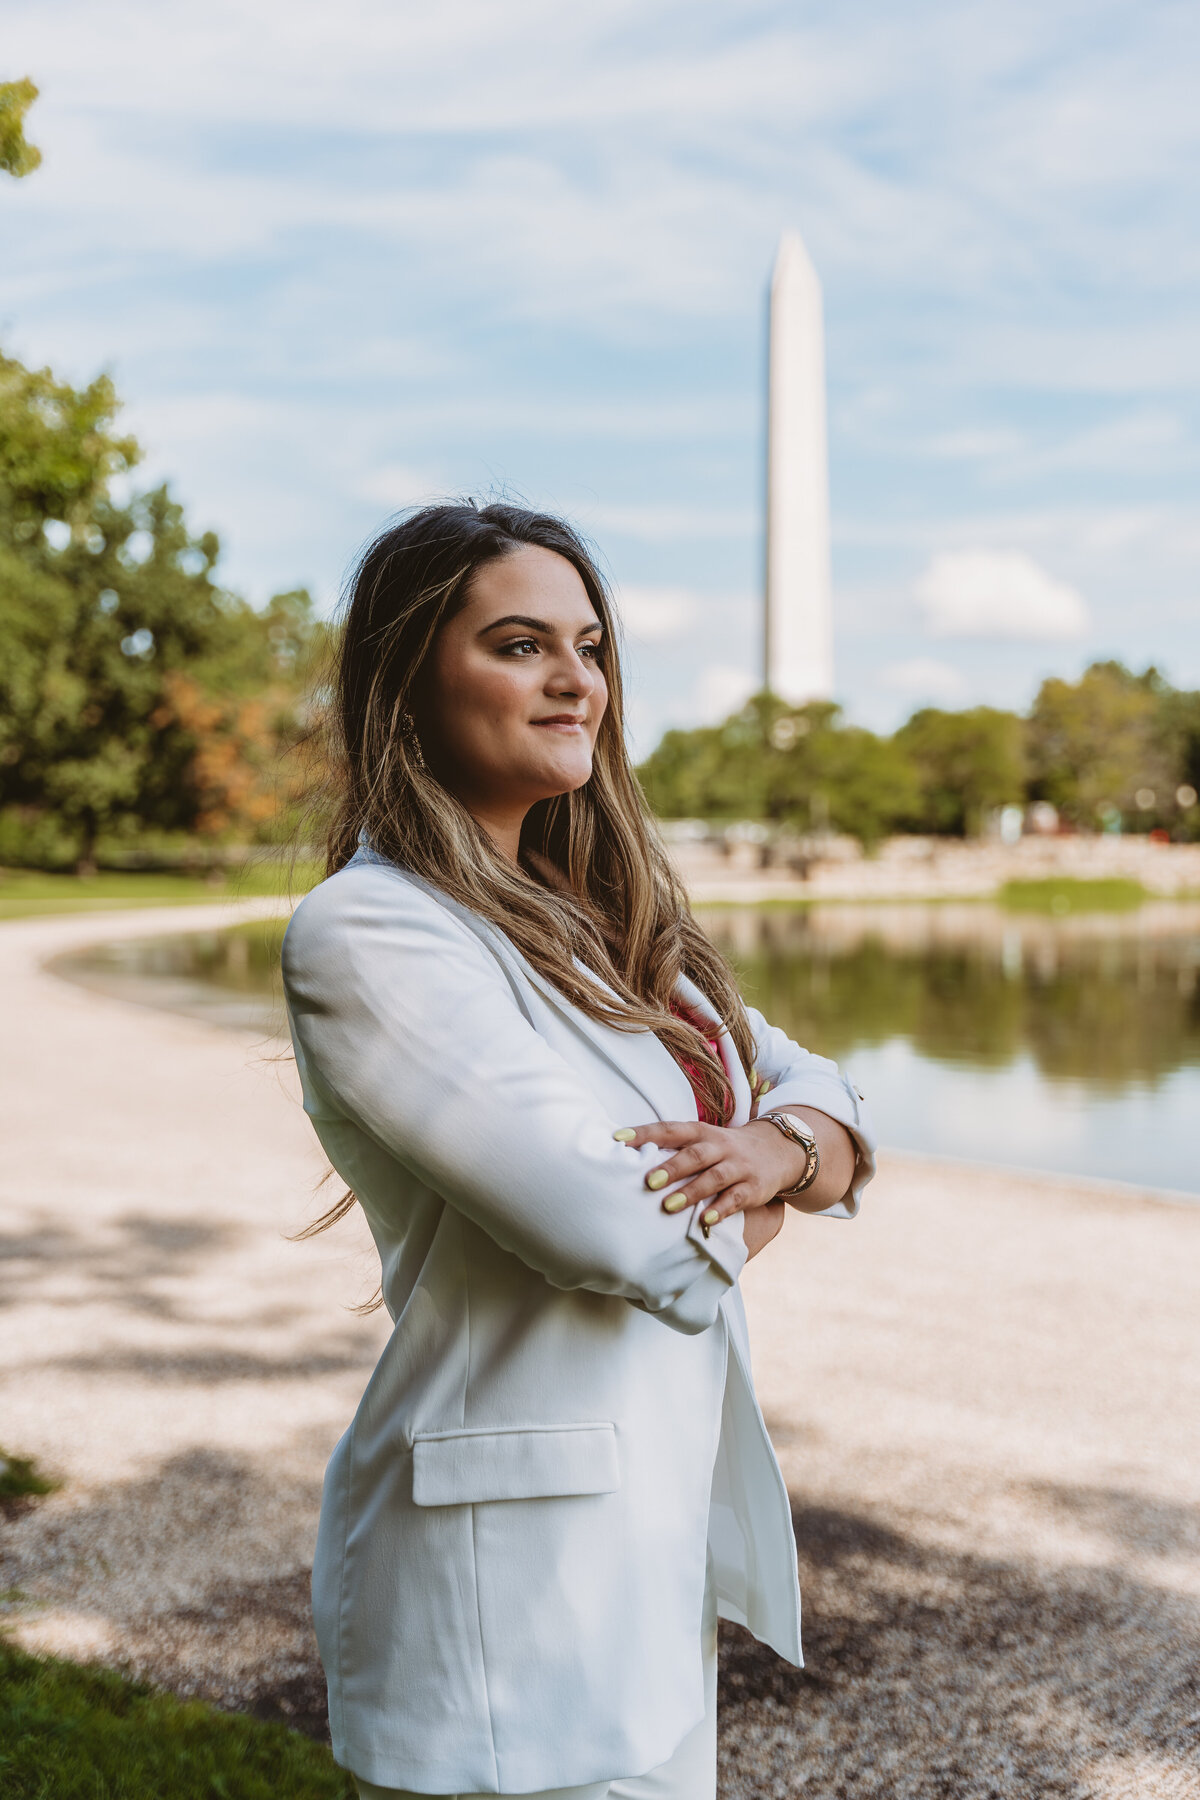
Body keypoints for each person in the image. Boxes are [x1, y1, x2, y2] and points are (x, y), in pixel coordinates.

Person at [281, 501, 876, 1800]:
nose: (575, 681)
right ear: (409, 681)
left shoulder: (611, 921)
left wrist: (779, 1147)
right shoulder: (371, 935)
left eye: (591, 646)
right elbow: (630, 1232)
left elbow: (819, 1088)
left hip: (647, 1567)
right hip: (503, 1596)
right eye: (518, 644)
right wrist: (782, 1174)